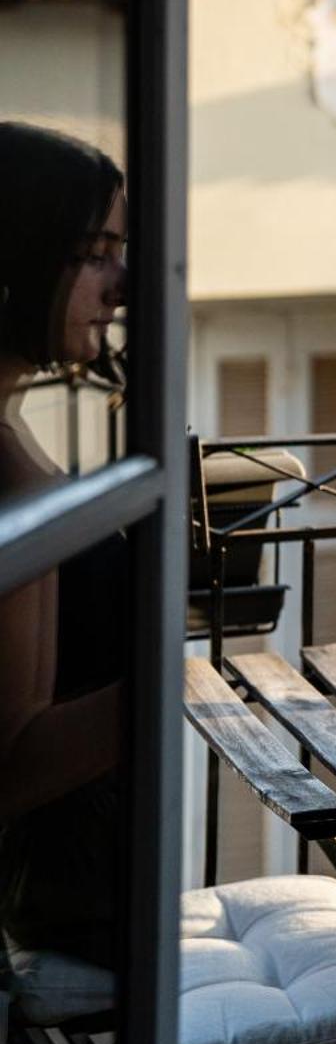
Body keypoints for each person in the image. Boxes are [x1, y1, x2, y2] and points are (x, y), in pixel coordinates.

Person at [0, 122, 128, 966]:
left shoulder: (8, 430)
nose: (120, 286)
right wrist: (176, 676)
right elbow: (11, 765)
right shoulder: (11, 482)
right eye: (94, 253)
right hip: (69, 916)